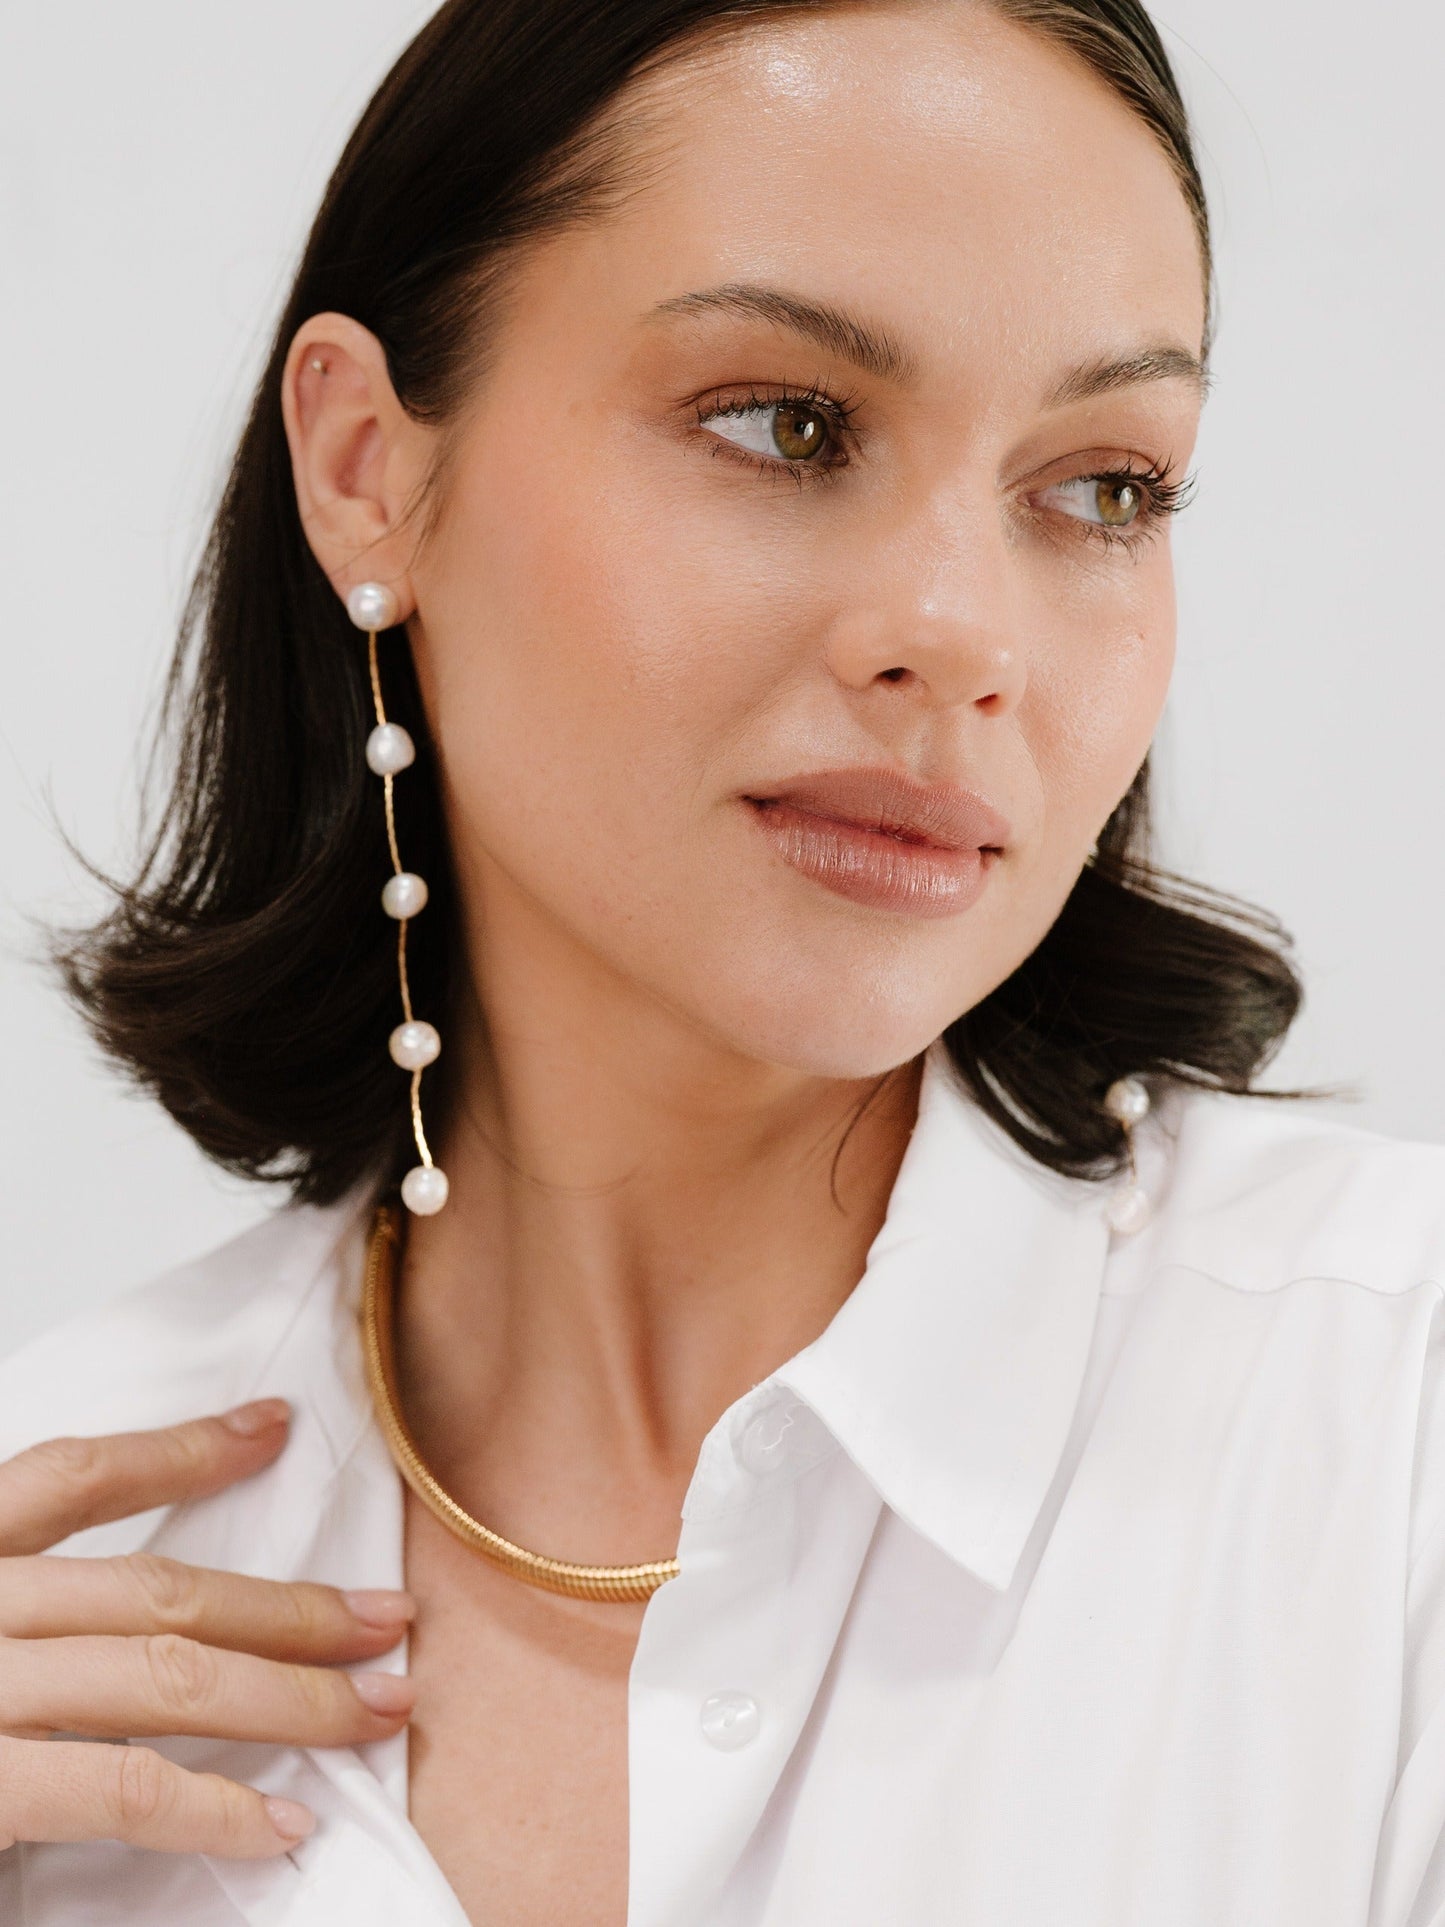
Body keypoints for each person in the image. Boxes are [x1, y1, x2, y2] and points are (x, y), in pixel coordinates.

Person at [2, 0, 1442, 1921]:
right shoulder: (65, 1534)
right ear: (363, 467)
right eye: (787, 424)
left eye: (1104, 485)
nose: (958, 630)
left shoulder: (1390, 1432)